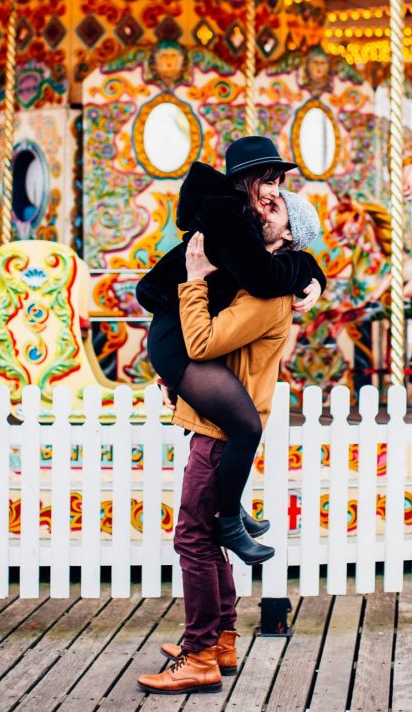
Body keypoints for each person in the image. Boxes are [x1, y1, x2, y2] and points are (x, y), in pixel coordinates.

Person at [138, 189, 319, 696]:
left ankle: (198, 654)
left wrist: (193, 282)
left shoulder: (266, 293)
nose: (262, 209)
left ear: (288, 235)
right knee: (207, 535)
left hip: (220, 431)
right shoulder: (260, 276)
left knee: (193, 538)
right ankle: (220, 639)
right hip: (214, 421)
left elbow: (203, 343)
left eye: (275, 210)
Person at [136, 136, 326, 563]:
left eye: (278, 182)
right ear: (247, 181)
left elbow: (271, 261)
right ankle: (227, 521)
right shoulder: (228, 215)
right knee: (245, 426)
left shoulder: (237, 217)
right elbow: (262, 279)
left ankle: (230, 510)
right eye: (269, 181)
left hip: (181, 333)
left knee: (243, 425)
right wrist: (308, 272)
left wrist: (311, 273)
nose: (276, 189)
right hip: (176, 341)